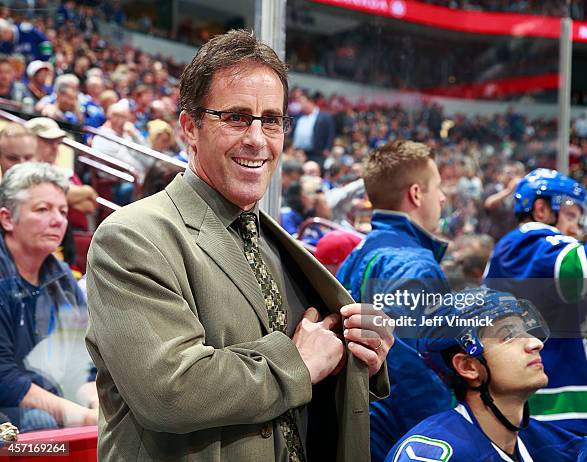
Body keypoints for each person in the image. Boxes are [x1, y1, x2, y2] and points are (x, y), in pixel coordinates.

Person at [86, 30, 392, 461]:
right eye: (235, 117)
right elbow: (170, 390)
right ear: (190, 128)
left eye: (271, 119)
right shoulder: (133, 236)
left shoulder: (271, 238)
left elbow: (312, 358)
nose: (257, 138)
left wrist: (356, 351)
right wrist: (298, 364)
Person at [386, 288, 587, 462]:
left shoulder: (554, 444)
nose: (534, 343)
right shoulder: (431, 453)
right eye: (508, 335)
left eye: (526, 331)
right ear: (468, 366)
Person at [337, 140, 452, 462]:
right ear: (416, 194)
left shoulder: (361, 252)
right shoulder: (413, 263)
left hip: (365, 425)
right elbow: (408, 365)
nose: (442, 198)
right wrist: (442, 433)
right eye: (437, 188)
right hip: (401, 437)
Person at [484, 168, 587, 435]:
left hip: (555, 406)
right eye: (571, 216)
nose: (576, 228)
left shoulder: (536, 259)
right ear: (541, 210)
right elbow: (580, 266)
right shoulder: (522, 244)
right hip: (541, 413)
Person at [0, 162, 97, 432]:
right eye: (42, 210)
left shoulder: (64, 279)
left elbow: (81, 367)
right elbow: (3, 378)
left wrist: (96, 405)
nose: (58, 220)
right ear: (7, 218)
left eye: (63, 211)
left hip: (47, 401)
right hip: (11, 410)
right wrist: (76, 414)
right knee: (38, 422)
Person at [292, 91, 335, 169]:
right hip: (299, 152)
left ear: (310, 102)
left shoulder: (324, 116)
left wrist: (327, 148)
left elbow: (330, 134)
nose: (300, 105)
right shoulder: (299, 117)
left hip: (317, 153)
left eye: (302, 102)